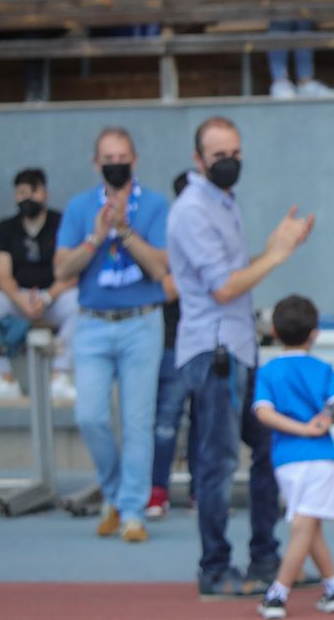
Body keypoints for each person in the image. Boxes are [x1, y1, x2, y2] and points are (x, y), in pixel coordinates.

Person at [167, 117, 315, 596]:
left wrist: (273, 249)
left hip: (238, 348)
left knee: (268, 449)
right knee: (217, 461)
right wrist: (278, 256)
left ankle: (264, 556)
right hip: (214, 354)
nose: (230, 162)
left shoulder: (222, 202)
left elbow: (237, 274)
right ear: (198, 160)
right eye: (219, 155)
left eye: (236, 152)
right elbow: (225, 287)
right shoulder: (192, 210)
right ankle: (214, 567)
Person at [52, 128, 169, 545]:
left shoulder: (154, 205)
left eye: (122, 156)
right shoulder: (82, 207)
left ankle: (132, 511)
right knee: (91, 416)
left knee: (138, 423)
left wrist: (125, 230)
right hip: (93, 324)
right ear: (96, 163)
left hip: (141, 321)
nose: (115, 163)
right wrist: (97, 235)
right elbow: (63, 270)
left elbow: (160, 268)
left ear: (134, 160)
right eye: (107, 157)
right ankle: (116, 493)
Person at [253, 295, 334, 619]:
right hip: (321, 458)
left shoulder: (268, 371)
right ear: (314, 334)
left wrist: (297, 428)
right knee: (308, 527)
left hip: (286, 460)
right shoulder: (323, 369)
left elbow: (264, 413)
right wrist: (322, 421)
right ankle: (333, 588)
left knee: (304, 525)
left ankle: (278, 594)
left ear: (275, 333)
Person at [0, 168, 78, 403]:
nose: (27, 198)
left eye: (33, 192)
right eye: (21, 193)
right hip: (18, 297)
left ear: (45, 193)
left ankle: (60, 376)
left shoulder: (61, 222)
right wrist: (20, 299)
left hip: (55, 295)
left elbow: (73, 272)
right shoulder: (6, 227)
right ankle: (4, 378)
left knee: (80, 302)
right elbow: (2, 274)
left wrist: (48, 297)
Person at [148, 171, 194, 519]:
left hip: (209, 343)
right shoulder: (165, 238)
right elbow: (165, 290)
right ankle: (157, 490)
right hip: (170, 343)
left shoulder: (221, 233)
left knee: (208, 422)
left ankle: (201, 490)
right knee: (166, 422)